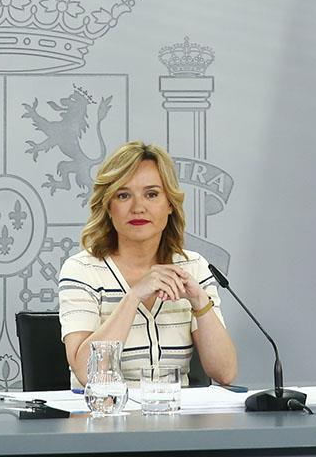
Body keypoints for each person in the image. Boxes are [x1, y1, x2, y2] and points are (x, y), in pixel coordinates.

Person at [58, 141, 237, 386]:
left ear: (170, 204)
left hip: (175, 417)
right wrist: (134, 297)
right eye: (123, 195)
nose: (138, 207)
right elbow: (85, 372)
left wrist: (199, 301)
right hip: (104, 415)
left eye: (152, 194)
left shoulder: (193, 266)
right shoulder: (82, 270)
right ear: (109, 207)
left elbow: (225, 373)